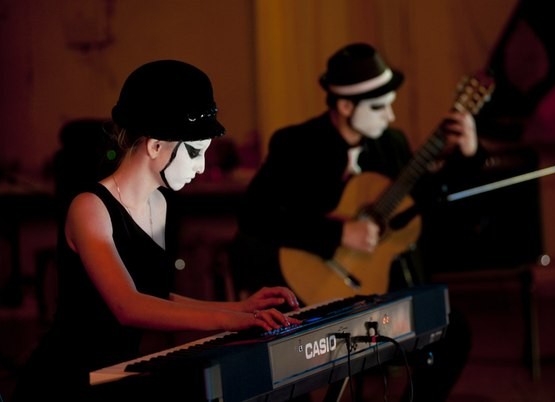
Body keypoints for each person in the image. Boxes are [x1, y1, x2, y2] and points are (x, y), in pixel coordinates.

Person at [11, 60, 300, 402]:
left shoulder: (159, 203)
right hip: (66, 381)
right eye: (195, 152)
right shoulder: (89, 207)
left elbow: (154, 295)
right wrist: (229, 320)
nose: (201, 167)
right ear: (155, 146)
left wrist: (241, 308)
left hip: (115, 373)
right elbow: (128, 306)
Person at [230, 43, 487, 401]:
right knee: (281, 360)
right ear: (345, 106)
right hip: (305, 295)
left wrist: (468, 155)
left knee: (452, 330)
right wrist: (338, 233)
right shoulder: (296, 144)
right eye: (379, 107)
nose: (390, 116)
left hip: (375, 296)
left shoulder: (391, 144)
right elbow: (255, 216)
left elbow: (428, 202)